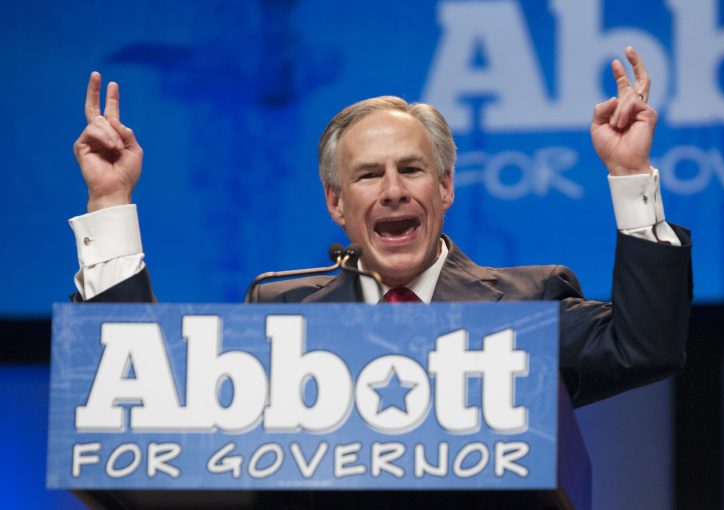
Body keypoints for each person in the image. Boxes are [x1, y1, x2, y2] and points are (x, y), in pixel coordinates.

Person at [70, 47, 692, 406]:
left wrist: (631, 171)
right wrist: (111, 201)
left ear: (444, 187)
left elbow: (646, 346)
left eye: (412, 170)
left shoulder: (527, 304)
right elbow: (141, 381)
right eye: (368, 175)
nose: (393, 190)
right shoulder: (281, 313)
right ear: (337, 204)